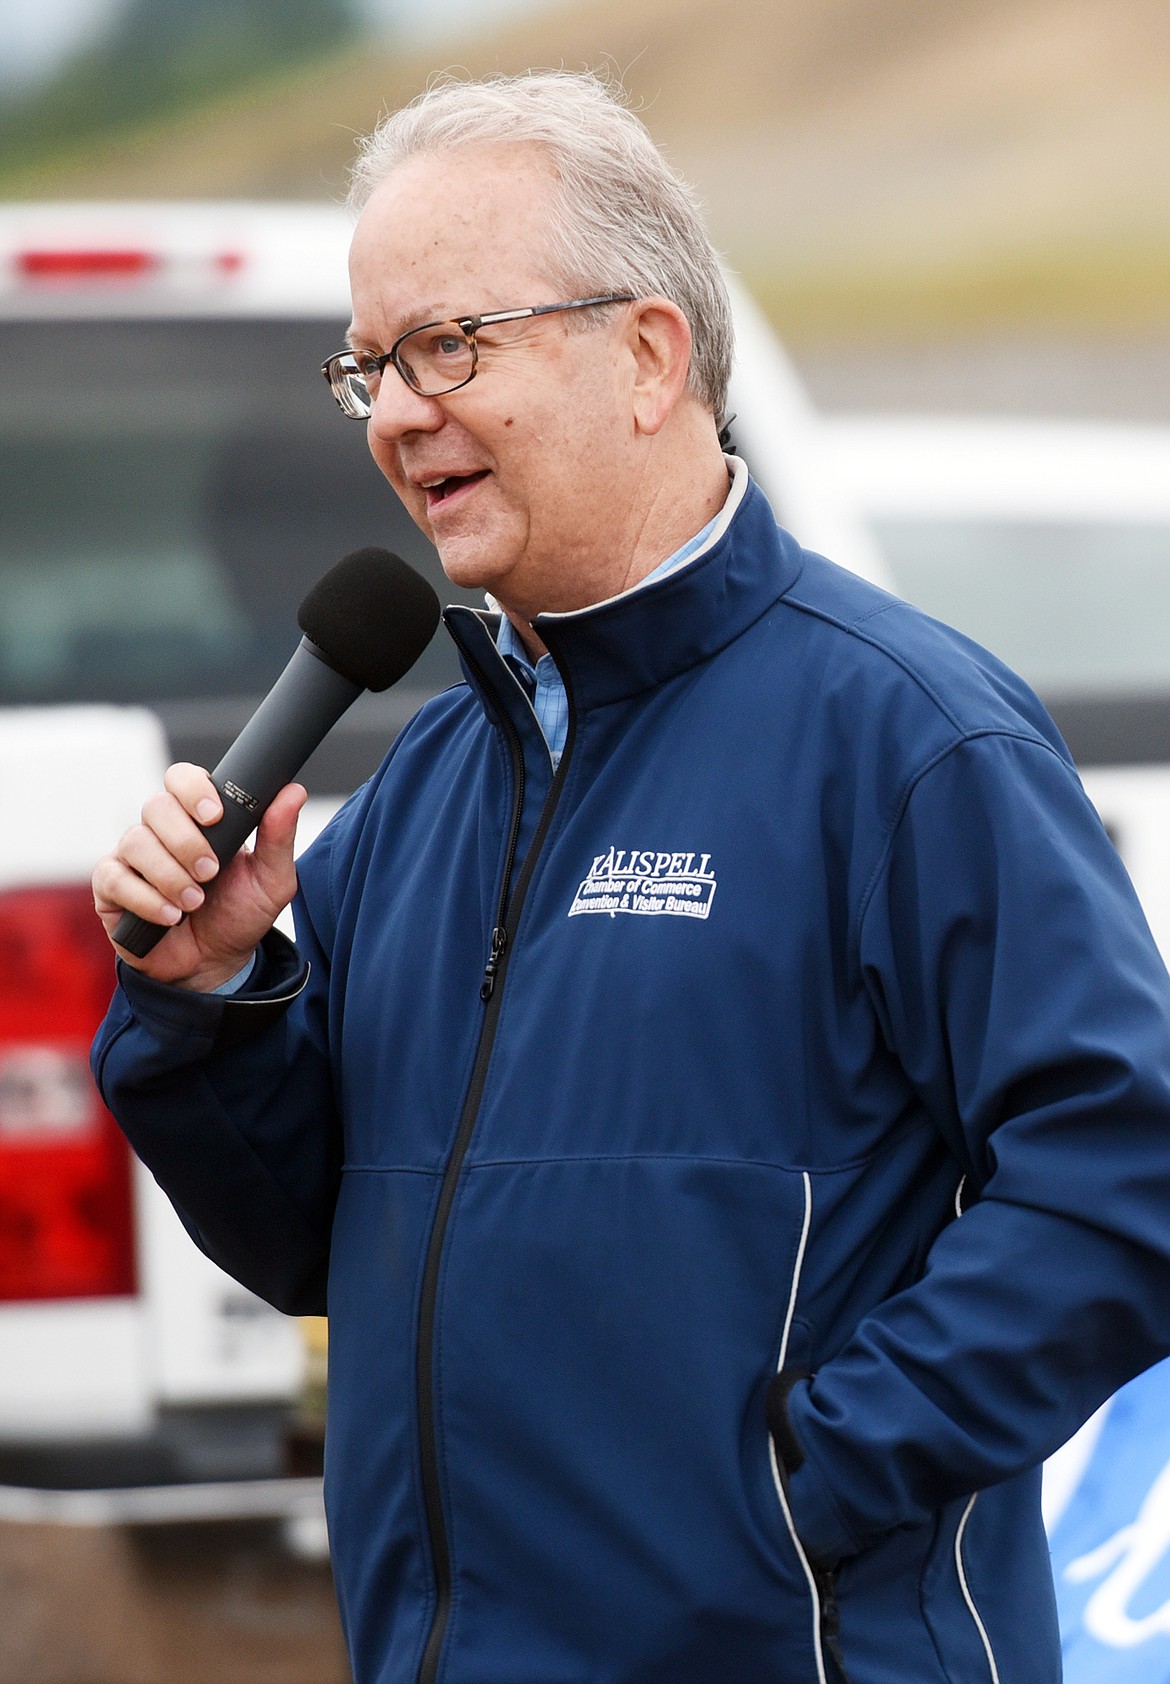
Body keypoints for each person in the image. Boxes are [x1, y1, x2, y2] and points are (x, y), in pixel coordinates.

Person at [91, 71, 1170, 1684]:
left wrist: (793, 1487)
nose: (395, 410)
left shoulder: (904, 739)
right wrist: (215, 1004)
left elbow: (1121, 1173)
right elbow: (320, 1247)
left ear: (649, 355)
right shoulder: (423, 795)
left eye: (448, 345)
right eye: (370, 366)